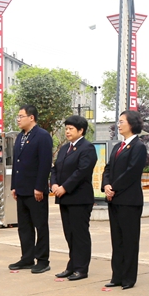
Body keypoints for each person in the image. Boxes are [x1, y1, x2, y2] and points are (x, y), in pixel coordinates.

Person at [102, 110, 147, 289]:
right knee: (117, 239)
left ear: (132, 124)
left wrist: (114, 188)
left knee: (129, 240)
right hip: (114, 200)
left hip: (129, 200)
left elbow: (132, 172)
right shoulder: (117, 146)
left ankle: (128, 278)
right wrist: (106, 185)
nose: (119, 124)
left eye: (122, 121)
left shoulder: (138, 146)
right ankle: (117, 276)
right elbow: (107, 168)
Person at [50, 115, 96, 281]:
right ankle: (72, 265)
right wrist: (54, 185)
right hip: (64, 198)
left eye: (70, 129)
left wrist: (65, 187)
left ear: (80, 130)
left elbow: (81, 172)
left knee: (79, 234)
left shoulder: (87, 148)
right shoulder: (64, 148)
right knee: (69, 233)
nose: (67, 131)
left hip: (79, 198)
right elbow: (55, 169)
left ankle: (81, 268)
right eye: (66, 128)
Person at [9, 105, 53, 273]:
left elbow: (44, 164)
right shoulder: (20, 137)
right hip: (21, 189)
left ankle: (42, 260)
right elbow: (16, 163)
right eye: (18, 116)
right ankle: (27, 258)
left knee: (40, 225)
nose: (18, 119)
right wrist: (14, 185)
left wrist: (39, 187)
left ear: (31, 117)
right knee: (24, 226)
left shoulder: (42, 136)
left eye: (21, 116)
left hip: (36, 190)